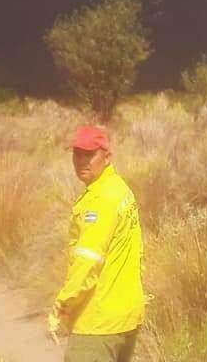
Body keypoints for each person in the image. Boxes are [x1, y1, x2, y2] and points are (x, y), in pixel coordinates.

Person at [48, 125, 144, 362]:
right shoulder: (120, 189)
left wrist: (63, 305)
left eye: (89, 155)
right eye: (77, 154)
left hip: (98, 322)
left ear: (107, 156)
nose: (81, 161)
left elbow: (87, 262)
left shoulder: (99, 201)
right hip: (126, 316)